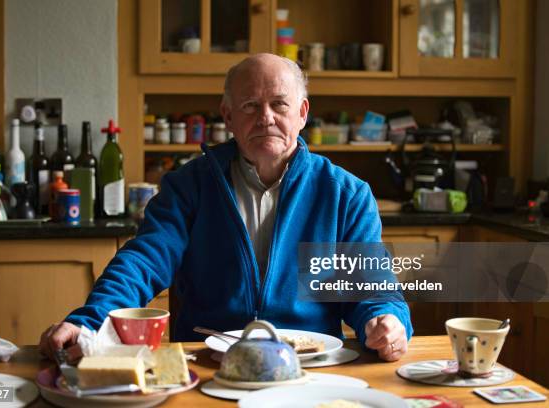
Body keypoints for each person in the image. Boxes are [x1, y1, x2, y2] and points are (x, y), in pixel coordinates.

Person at [40, 53, 412, 362]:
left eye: (279, 104)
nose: (265, 116)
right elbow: (143, 260)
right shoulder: (189, 185)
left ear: (302, 112)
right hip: (209, 359)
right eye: (250, 105)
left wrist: (387, 321)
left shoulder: (346, 194)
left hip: (309, 364)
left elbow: (373, 288)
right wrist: (90, 321)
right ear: (228, 116)